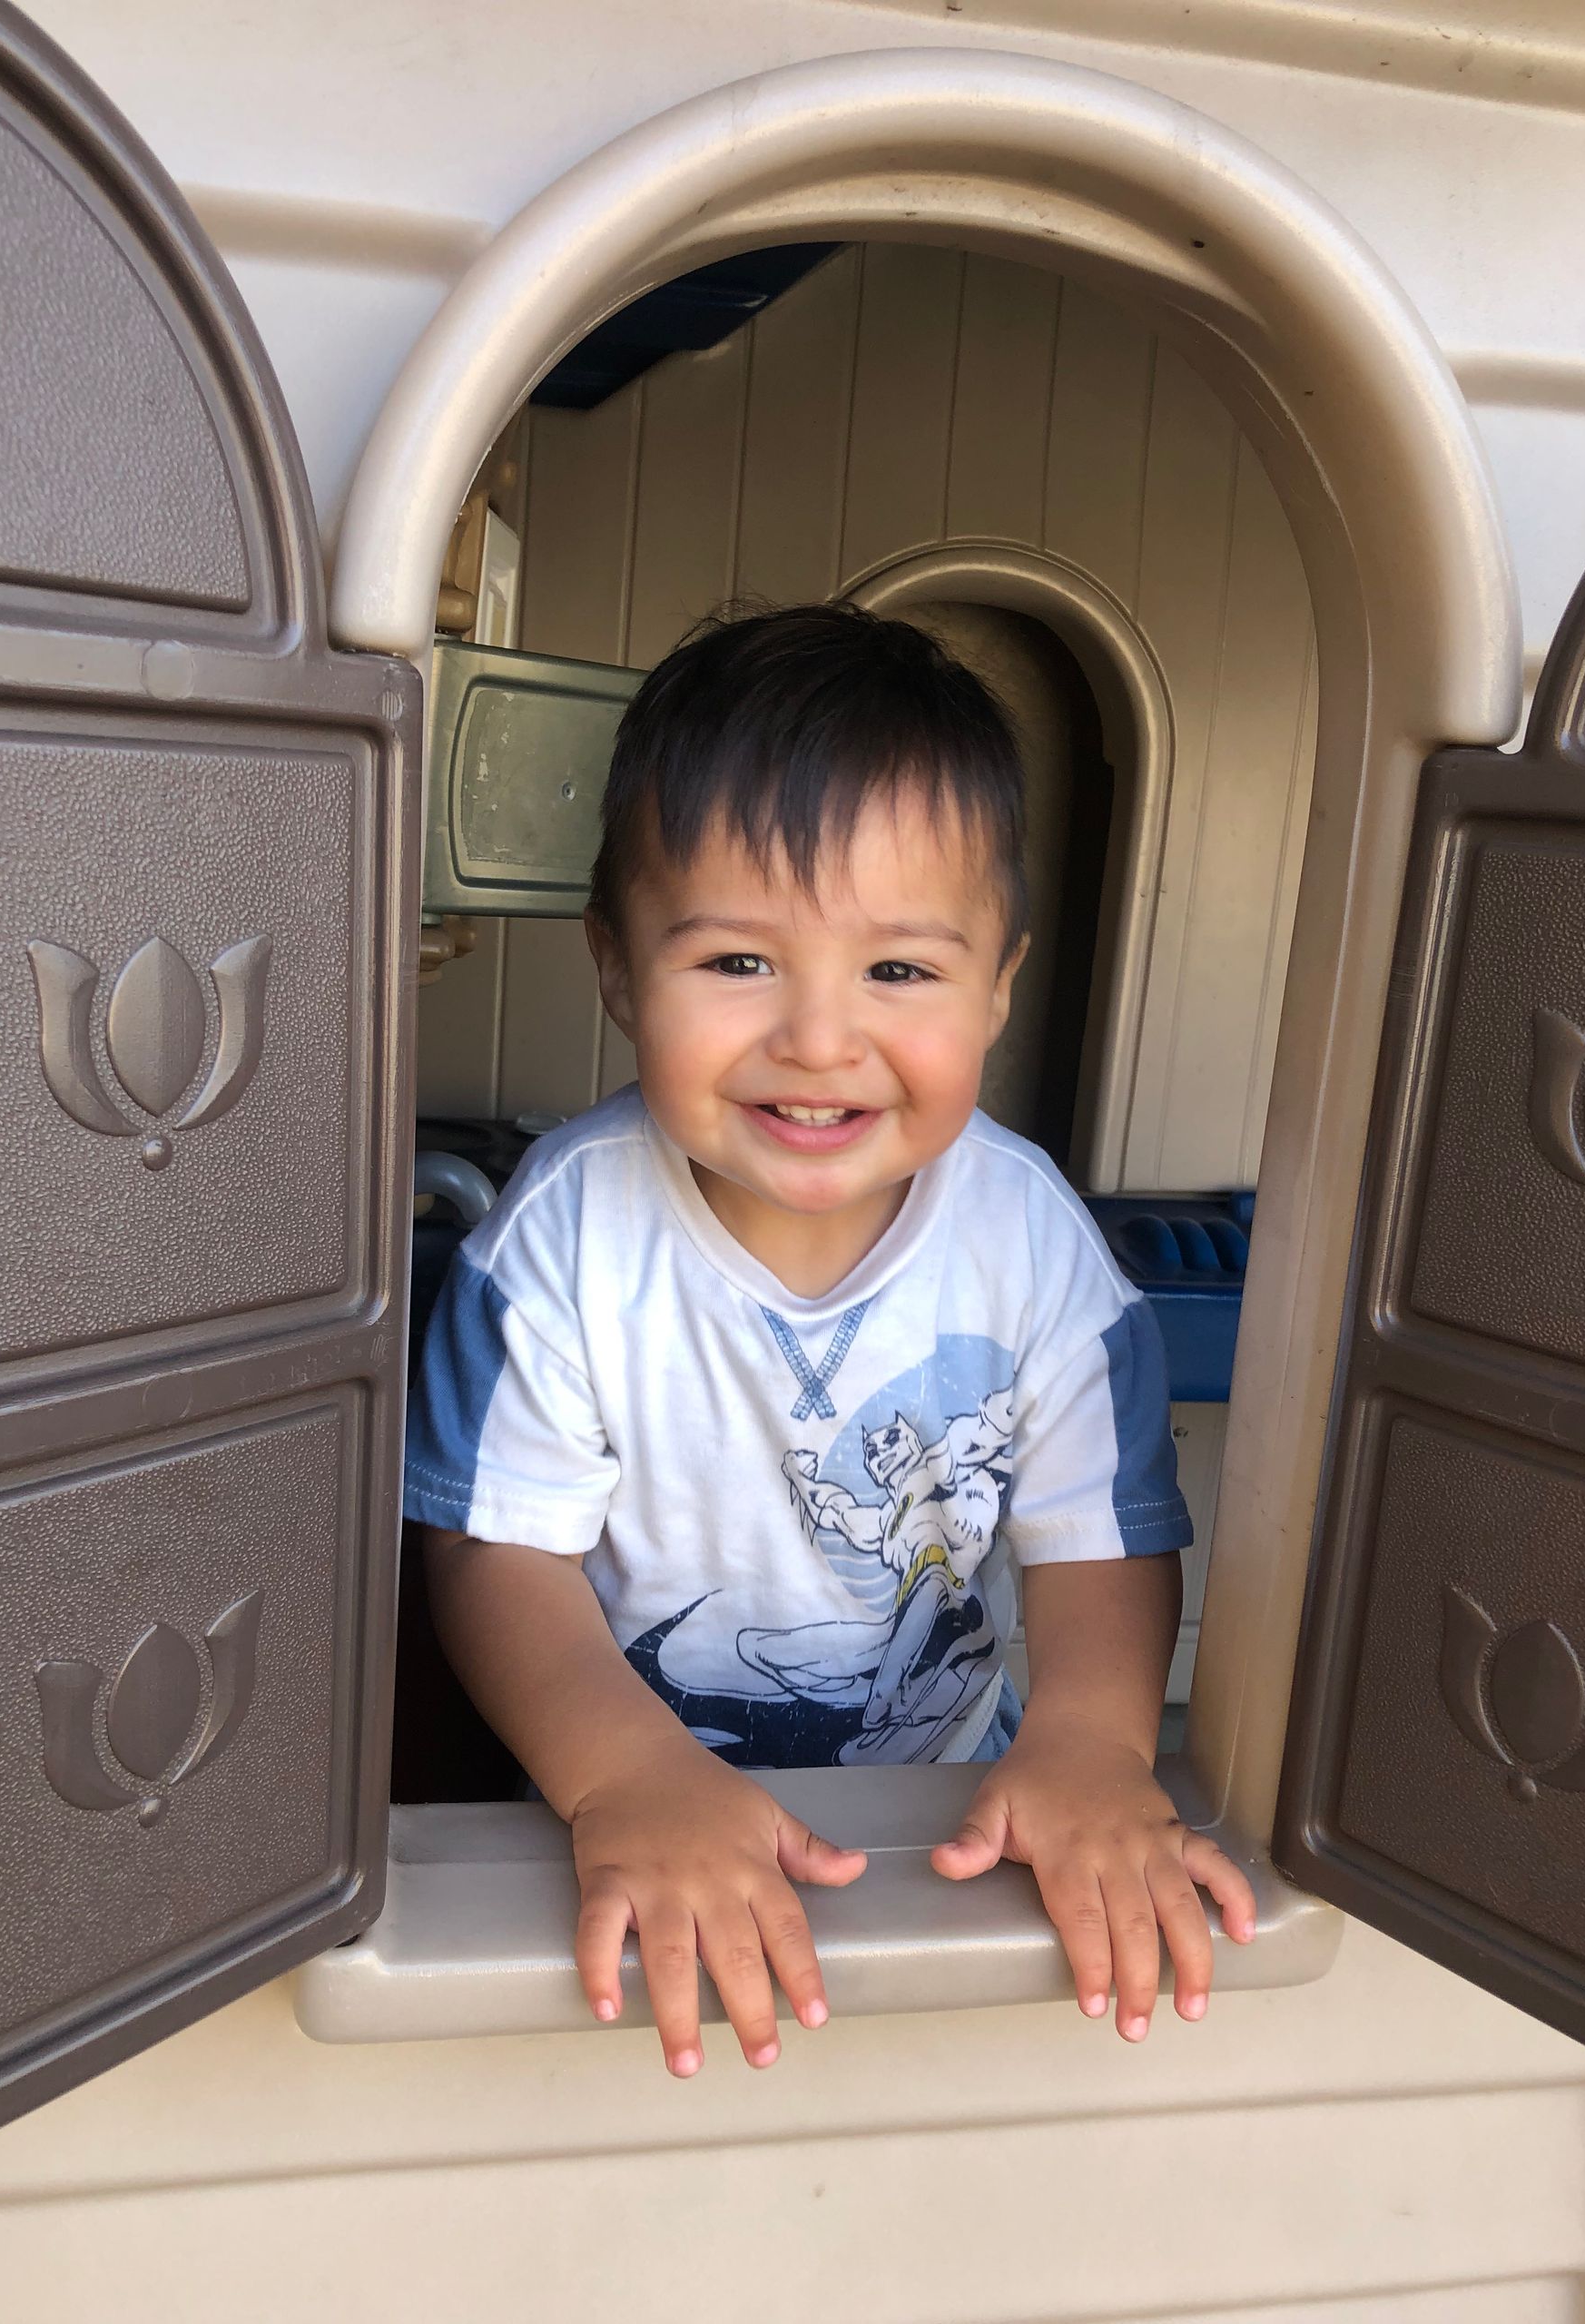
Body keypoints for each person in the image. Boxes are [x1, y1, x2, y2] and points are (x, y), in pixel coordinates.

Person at [404, 603, 1257, 2077]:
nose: (817, 1037)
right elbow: (497, 1557)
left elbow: (1101, 1535)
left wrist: (1095, 1746)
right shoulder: (563, 1239)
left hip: (943, 1809)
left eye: (900, 973)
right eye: (738, 962)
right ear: (617, 966)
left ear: (1000, 985)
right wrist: (622, 1778)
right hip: (619, 1806)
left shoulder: (1031, 1240)